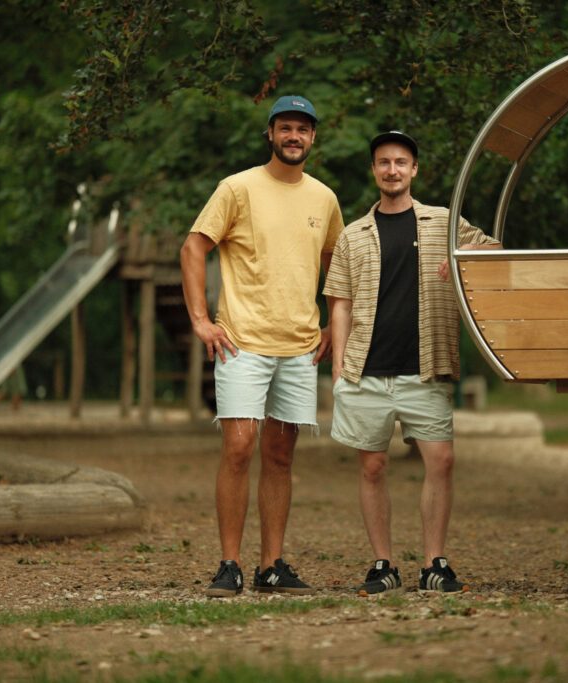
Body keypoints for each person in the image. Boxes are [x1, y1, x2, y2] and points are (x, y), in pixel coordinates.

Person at [180, 95, 344, 598]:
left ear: (313, 138)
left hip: (298, 347)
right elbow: (193, 246)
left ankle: (271, 565)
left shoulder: (324, 198)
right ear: (270, 134)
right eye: (285, 128)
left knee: (280, 454)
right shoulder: (238, 188)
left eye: (303, 129)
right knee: (239, 447)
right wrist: (201, 320)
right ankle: (229, 563)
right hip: (241, 342)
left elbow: (336, 261)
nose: (294, 137)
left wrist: (333, 325)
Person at [324, 130, 500, 597]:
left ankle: (433, 564)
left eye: (401, 162)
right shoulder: (352, 235)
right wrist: (339, 367)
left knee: (441, 460)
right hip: (367, 367)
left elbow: (495, 250)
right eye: (384, 162)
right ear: (375, 170)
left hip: (426, 366)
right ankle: (382, 563)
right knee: (373, 467)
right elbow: (339, 303)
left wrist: (461, 259)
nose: (392, 170)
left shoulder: (443, 223)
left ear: (414, 169)